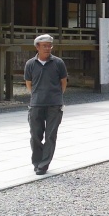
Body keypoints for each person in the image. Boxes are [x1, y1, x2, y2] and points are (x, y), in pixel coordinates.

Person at [24, 34, 68, 175]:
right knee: (35, 135)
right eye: (44, 46)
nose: (48, 48)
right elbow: (29, 83)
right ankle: (37, 161)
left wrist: (57, 96)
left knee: (50, 135)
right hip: (36, 103)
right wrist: (36, 95)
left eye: (49, 45)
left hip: (54, 104)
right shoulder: (30, 64)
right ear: (37, 47)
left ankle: (43, 164)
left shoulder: (58, 63)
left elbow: (63, 82)